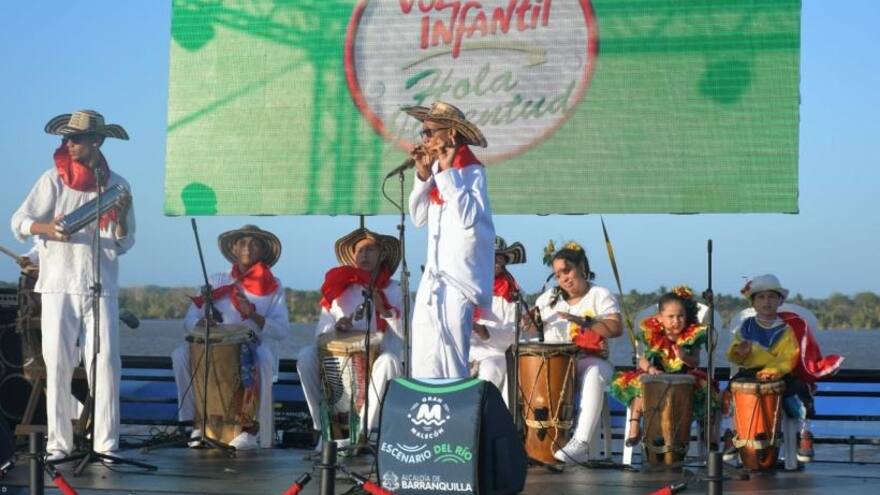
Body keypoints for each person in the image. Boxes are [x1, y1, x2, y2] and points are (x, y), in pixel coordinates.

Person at [10, 110, 135, 461]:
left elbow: (124, 241)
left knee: (106, 363)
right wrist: (47, 229)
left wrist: (121, 217)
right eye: (66, 138)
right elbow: (19, 221)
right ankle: (58, 445)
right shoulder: (52, 180)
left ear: (96, 140)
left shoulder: (118, 185)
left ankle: (106, 445)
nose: (69, 143)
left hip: (100, 284)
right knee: (58, 362)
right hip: (58, 284)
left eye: (76, 138)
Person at [172, 225, 289, 450]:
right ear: (234, 249)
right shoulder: (215, 280)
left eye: (254, 243)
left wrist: (252, 314)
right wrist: (200, 323)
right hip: (213, 348)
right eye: (242, 243)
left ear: (262, 250)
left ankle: (251, 428)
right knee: (179, 355)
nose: (247, 247)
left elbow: (282, 330)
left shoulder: (274, 286)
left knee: (263, 359)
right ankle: (195, 421)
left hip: (252, 345)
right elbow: (189, 320)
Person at [404, 101, 495, 379]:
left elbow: (468, 218)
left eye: (430, 132)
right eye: (423, 133)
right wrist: (422, 176)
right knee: (423, 351)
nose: (425, 138)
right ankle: (425, 413)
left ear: (451, 134)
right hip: (433, 278)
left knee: (452, 357)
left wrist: (445, 173)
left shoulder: (472, 172)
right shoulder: (435, 172)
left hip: (458, 280)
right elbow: (418, 217)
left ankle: (455, 418)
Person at [296, 228, 403, 448]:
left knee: (389, 361)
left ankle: (359, 432)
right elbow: (321, 336)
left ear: (381, 254)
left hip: (378, 358)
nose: (364, 255)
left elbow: (407, 335)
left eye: (370, 249)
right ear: (353, 255)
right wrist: (337, 326)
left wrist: (384, 310)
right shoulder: (340, 289)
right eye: (360, 250)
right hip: (340, 362)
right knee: (306, 357)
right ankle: (326, 430)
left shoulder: (395, 289)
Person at [726, 274, 843, 463]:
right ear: (753, 302)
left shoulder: (787, 329)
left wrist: (773, 370)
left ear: (780, 301)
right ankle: (733, 433)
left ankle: (803, 433)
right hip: (750, 373)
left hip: (780, 374)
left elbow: (789, 356)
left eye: (771, 297)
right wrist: (740, 351)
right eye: (761, 297)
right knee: (731, 391)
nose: (766, 302)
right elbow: (733, 355)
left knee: (798, 392)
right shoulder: (745, 326)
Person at [526, 241, 622, 464]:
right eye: (558, 275)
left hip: (589, 361)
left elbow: (616, 328)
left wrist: (581, 321)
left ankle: (581, 441)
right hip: (555, 366)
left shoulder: (599, 294)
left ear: (582, 267)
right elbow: (531, 329)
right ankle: (530, 440)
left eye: (567, 270)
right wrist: (527, 322)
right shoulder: (548, 299)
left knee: (595, 372)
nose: (564, 279)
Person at [609, 286, 719, 447]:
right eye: (671, 317)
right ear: (660, 318)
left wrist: (684, 356)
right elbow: (642, 360)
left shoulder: (691, 335)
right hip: (657, 377)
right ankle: (634, 425)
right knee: (640, 387)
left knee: (708, 392)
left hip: (685, 379)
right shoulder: (654, 335)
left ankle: (708, 434)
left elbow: (696, 362)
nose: (676, 321)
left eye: (680, 316)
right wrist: (650, 369)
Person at [469, 236, 526, 404]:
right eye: (492, 257)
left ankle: (482, 424)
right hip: (464, 352)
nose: (497, 262)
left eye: (500, 259)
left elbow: (514, 336)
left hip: (495, 354)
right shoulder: (466, 288)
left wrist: (485, 332)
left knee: (490, 370)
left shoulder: (511, 293)